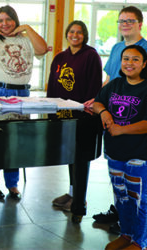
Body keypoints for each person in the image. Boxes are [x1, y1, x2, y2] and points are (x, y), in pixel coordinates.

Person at [0, 5, 47, 200]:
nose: (5, 24)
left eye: (9, 19)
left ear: (15, 20)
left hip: (22, 93)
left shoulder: (26, 39)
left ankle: (12, 184)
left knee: (16, 142)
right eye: (0, 21)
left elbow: (42, 49)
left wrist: (27, 28)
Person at [91, 6, 147, 233]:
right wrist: (99, 106)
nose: (124, 24)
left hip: (137, 142)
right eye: (121, 20)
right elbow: (109, 80)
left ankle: (138, 238)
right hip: (113, 135)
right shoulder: (115, 48)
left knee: (138, 195)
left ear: (140, 23)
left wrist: (122, 129)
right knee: (120, 189)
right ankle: (125, 227)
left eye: (130, 20)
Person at [47, 21, 102, 216]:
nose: (75, 35)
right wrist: (50, 111)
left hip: (83, 116)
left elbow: (94, 87)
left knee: (80, 158)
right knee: (70, 157)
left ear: (84, 35)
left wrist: (87, 109)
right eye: (71, 31)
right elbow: (52, 87)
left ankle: (80, 201)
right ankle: (72, 194)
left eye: (79, 32)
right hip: (63, 115)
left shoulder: (91, 56)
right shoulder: (60, 57)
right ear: (67, 34)